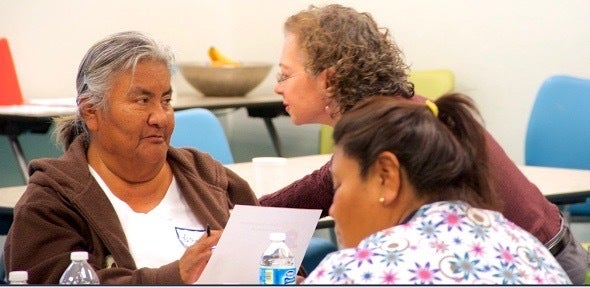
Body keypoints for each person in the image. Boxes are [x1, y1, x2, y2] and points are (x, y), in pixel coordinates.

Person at [259, 4, 588, 284]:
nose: (277, 88)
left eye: (285, 75)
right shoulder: (404, 112)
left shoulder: (393, 128)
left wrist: (244, 218)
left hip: (538, 261)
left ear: (328, 80)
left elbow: (321, 186)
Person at [3, 31, 259, 284]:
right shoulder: (51, 202)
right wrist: (174, 277)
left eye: (166, 100)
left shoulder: (208, 177)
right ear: (91, 111)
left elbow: (275, 264)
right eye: (142, 100)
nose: (159, 117)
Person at [302, 94, 571, 284]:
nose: (333, 210)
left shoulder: (353, 272)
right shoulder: (526, 249)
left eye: (338, 186)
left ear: (387, 176)